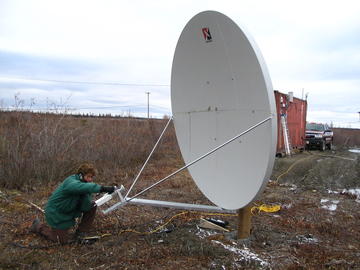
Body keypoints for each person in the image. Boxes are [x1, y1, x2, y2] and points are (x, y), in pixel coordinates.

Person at [30, 163, 115, 244]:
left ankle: (81, 233)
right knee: (61, 240)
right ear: (81, 175)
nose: (90, 179)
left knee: (92, 205)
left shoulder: (84, 184)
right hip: (56, 212)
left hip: (67, 210)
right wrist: (102, 188)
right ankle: (38, 226)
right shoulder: (71, 182)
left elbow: (86, 205)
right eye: (88, 176)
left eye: (92, 177)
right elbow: (81, 187)